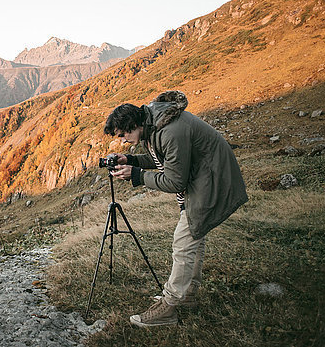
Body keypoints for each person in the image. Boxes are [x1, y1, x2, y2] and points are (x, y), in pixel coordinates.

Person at [103, 90, 248, 327]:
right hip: (203, 176)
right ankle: (188, 294)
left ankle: (168, 308)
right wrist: (131, 160)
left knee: (184, 241)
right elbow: (166, 158)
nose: (122, 140)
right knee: (194, 236)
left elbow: (174, 181)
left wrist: (137, 175)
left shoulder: (169, 131)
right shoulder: (154, 125)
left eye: (122, 135)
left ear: (133, 125)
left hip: (212, 179)